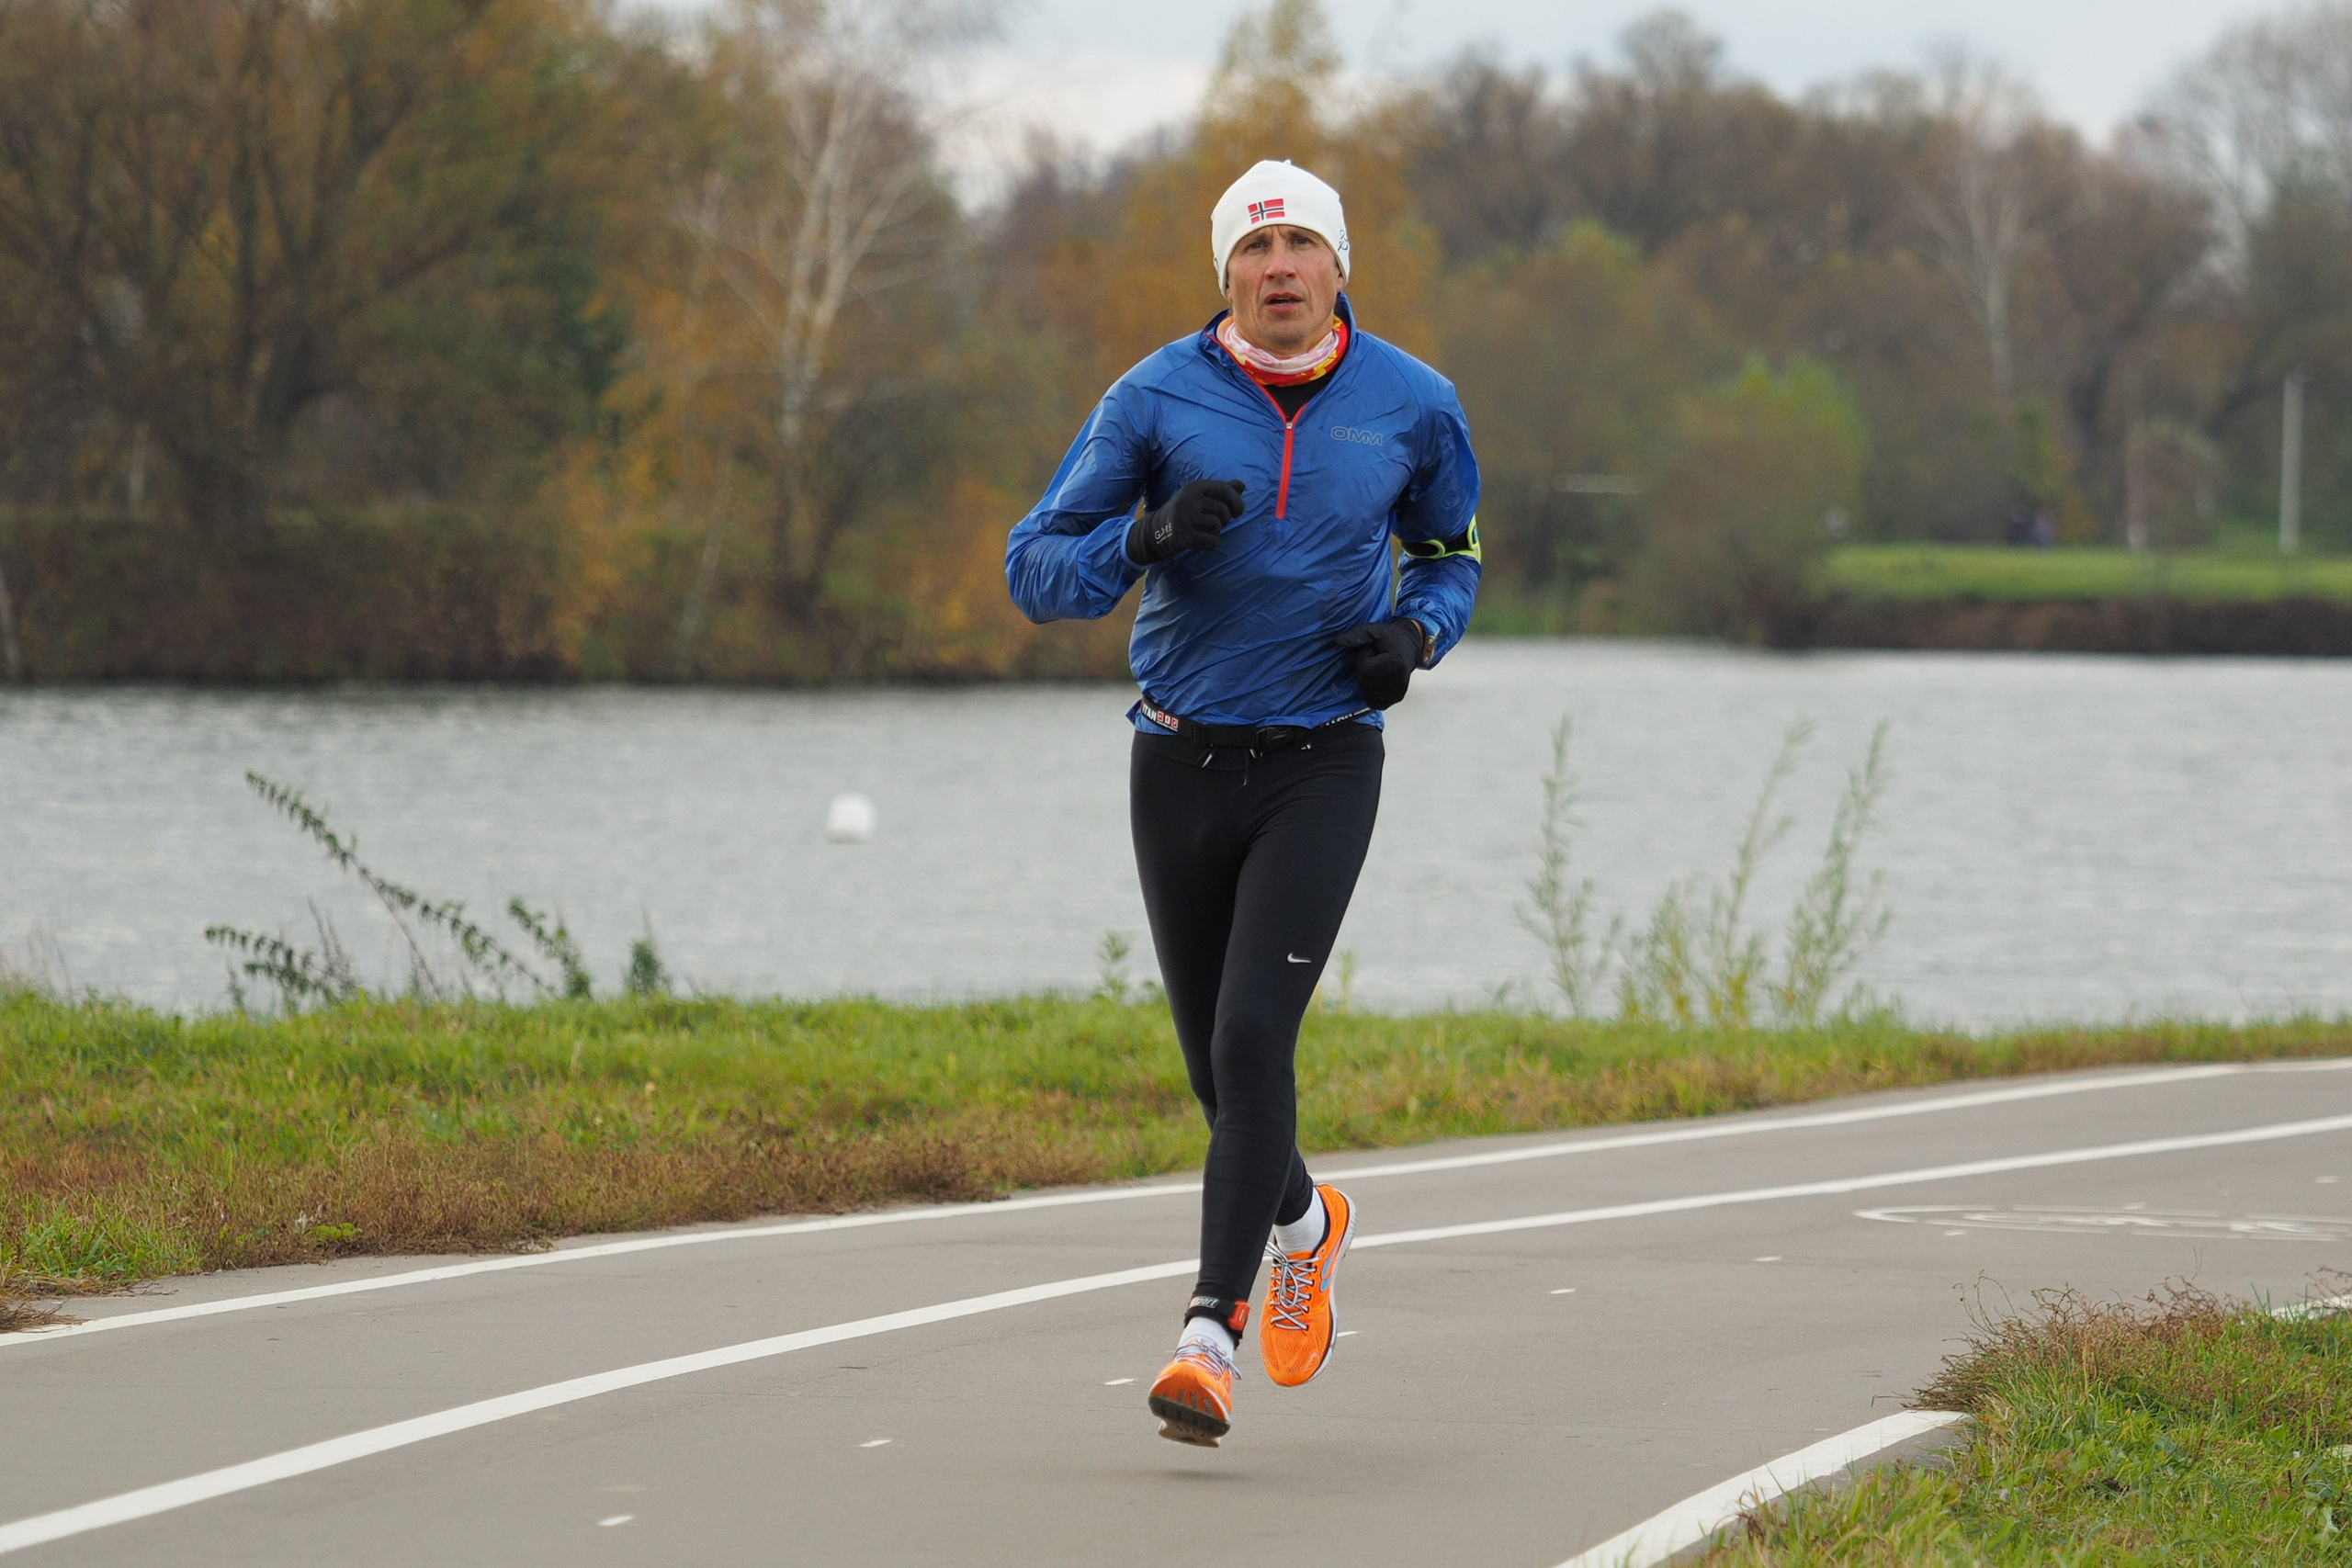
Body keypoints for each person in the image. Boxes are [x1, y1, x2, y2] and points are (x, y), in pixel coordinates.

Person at [1005, 159, 1481, 1447]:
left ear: (1339, 269)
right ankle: (1307, 1224)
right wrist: (1145, 540)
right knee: (1212, 1064)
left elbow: (1453, 551)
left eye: (1300, 246)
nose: (1280, 267)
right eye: (1255, 249)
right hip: (1177, 756)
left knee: (1252, 1042)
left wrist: (1420, 635)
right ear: (1225, 275)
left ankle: (1207, 1334)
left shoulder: (1414, 404)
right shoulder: (1154, 397)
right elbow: (1034, 569)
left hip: (1324, 758)